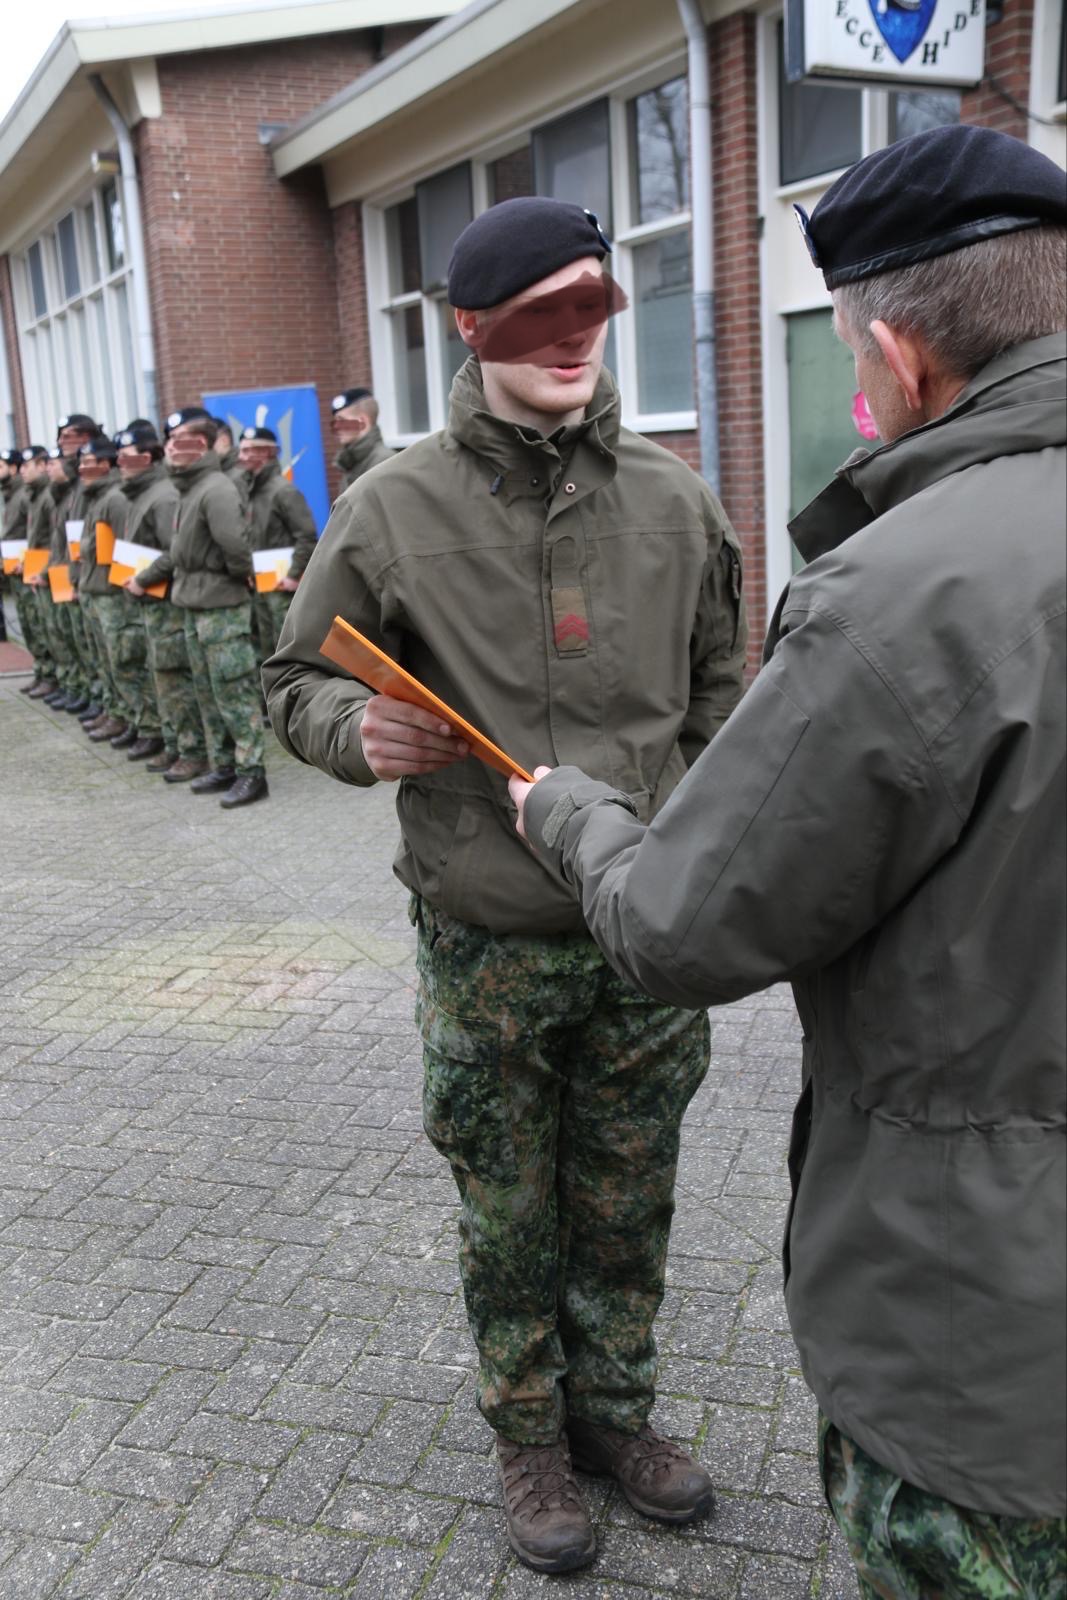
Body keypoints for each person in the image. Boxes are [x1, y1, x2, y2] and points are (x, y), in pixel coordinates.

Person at [510, 127, 1067, 1599]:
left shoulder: (907, 589)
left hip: (991, 1339)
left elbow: (682, 923)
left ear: (894, 355)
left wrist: (567, 812)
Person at [265, 197, 747, 1574]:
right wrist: (355, 732)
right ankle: (527, 1433)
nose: (572, 334)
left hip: (642, 930)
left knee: (626, 1193)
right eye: (540, 309)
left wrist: (692, 841)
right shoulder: (391, 507)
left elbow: (723, 697)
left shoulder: (674, 497)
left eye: (591, 300)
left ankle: (614, 1414)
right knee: (506, 1203)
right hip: (488, 938)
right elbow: (292, 678)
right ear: (474, 330)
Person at [136, 408, 267, 808]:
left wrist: (235, 578)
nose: (175, 449)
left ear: (207, 446)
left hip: (220, 607)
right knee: (208, 693)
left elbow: (237, 550)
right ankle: (224, 764)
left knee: (233, 690)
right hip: (194, 604)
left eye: (186, 442)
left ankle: (251, 771)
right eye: (172, 442)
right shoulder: (189, 487)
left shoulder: (216, 489)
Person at [112, 423, 180, 764]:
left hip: (164, 602)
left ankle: (184, 748)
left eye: (128, 457)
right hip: (148, 599)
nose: (120, 463)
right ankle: (170, 741)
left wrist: (143, 578)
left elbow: (173, 551)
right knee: (157, 675)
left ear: (148, 458)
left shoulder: (163, 495)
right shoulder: (140, 493)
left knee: (172, 679)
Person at [237, 425, 318, 668]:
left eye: (249, 450)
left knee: (286, 651)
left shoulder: (284, 491)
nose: (241, 456)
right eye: (241, 450)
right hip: (262, 584)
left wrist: (294, 575)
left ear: (267, 452)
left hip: (283, 588)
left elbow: (307, 536)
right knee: (267, 651)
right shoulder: (251, 490)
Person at [77, 438, 135, 745]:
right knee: (105, 659)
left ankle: (132, 718)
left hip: (111, 592)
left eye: (89, 462)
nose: (82, 468)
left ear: (105, 464)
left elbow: (124, 547)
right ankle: (115, 711)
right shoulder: (97, 496)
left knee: (121, 661)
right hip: (96, 588)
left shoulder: (114, 497)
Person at [329, 388, 393, 491]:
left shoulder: (385, 462)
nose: (336, 427)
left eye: (341, 420)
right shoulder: (350, 461)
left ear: (362, 421)